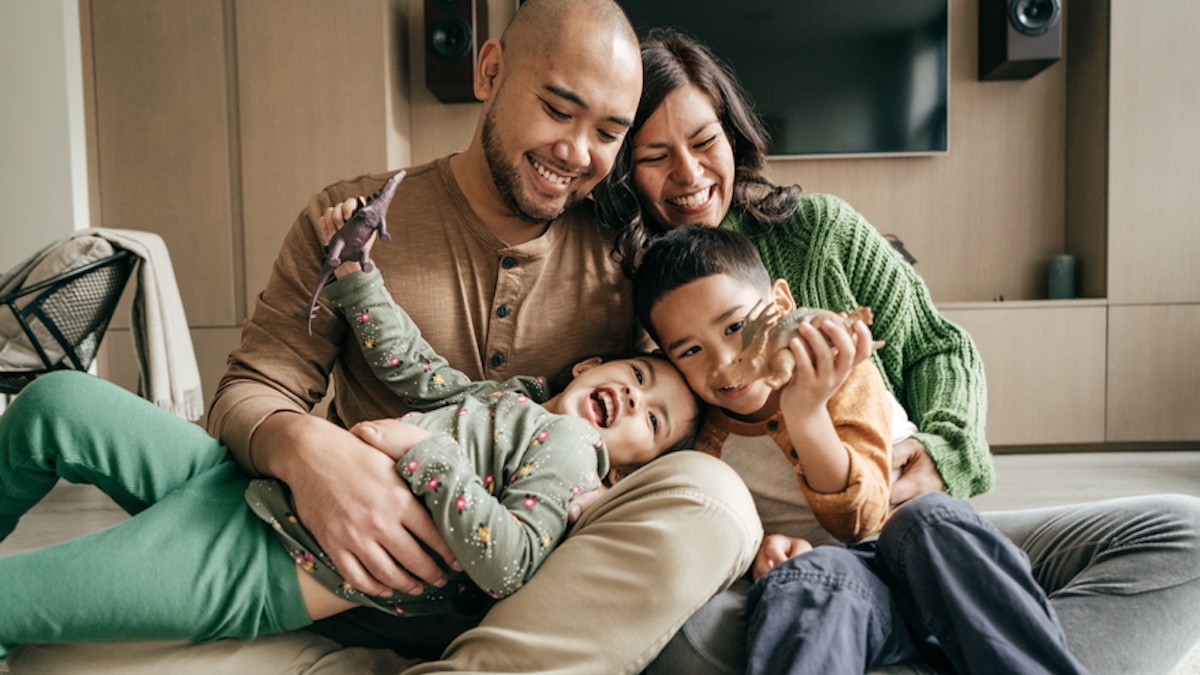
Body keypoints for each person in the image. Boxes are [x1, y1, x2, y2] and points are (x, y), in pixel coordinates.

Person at [2, 4, 761, 674]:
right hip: (292, 495)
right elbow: (257, 384)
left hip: (334, 575)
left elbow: (701, 396)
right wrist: (308, 452)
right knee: (53, 400)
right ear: (489, 69)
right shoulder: (353, 216)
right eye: (559, 110)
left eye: (609, 134)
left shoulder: (625, 262)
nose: (578, 152)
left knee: (27, 604)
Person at [594, 28, 1200, 675]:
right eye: (656, 155)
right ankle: (966, 642)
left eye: (704, 141)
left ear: (732, 136)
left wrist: (944, 451)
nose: (688, 174)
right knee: (701, 627)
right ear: (626, 169)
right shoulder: (616, 284)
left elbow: (940, 349)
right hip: (798, 561)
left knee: (1183, 535)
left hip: (916, 528)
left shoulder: (818, 231)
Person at [0, 227, 702, 654]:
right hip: (250, 480)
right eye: (639, 374)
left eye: (654, 421)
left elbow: (508, 564)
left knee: (14, 595)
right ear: (592, 365)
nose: (637, 397)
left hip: (277, 556)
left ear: (632, 467)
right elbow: (413, 365)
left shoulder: (573, 458)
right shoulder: (507, 399)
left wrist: (423, 454)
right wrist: (356, 278)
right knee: (54, 401)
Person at [632, 224, 1089, 675]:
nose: (724, 361)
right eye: (690, 351)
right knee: (803, 581)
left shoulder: (844, 373)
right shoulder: (705, 440)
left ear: (781, 304)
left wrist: (807, 415)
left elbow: (864, 516)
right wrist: (757, 553)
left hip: (923, 561)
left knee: (929, 519)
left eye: (735, 326)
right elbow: (704, 527)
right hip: (842, 586)